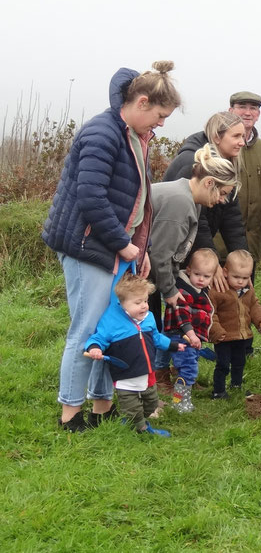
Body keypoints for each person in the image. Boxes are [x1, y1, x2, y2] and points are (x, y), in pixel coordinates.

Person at [42, 60, 181, 432]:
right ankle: (70, 413)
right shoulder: (102, 133)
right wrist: (123, 244)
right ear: (141, 101)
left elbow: (136, 201)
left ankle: (102, 404)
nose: (162, 123)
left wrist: (141, 246)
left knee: (113, 323)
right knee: (87, 329)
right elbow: (92, 197)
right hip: (88, 245)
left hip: (116, 247)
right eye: (160, 115)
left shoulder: (136, 135)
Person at [147, 146, 237, 341]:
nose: (222, 200)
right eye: (222, 193)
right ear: (209, 182)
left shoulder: (189, 196)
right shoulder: (180, 202)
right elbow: (159, 255)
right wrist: (170, 291)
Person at [84, 272, 186, 437]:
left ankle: (136, 422)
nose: (144, 306)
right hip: (126, 377)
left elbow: (156, 338)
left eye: (145, 301)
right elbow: (98, 338)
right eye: (138, 302)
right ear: (121, 303)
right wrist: (94, 348)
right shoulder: (111, 322)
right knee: (132, 408)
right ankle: (141, 430)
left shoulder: (148, 318)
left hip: (147, 373)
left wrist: (173, 346)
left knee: (151, 403)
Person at [163, 111, 249, 291]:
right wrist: (211, 261)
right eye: (236, 136)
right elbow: (195, 218)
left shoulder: (224, 163)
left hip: (196, 247)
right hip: (178, 249)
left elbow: (232, 219)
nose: (242, 142)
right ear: (217, 137)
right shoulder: (194, 164)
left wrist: (243, 262)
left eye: (243, 136)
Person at [208, 250, 261, 399]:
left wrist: (260, 320)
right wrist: (216, 331)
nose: (240, 281)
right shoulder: (218, 291)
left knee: (239, 362)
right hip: (224, 336)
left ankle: (236, 385)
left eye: (245, 277)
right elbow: (211, 313)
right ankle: (218, 391)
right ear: (225, 272)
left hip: (242, 334)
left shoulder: (247, 290)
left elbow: (254, 305)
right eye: (236, 277)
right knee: (223, 364)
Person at [162, 248, 219, 412]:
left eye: (206, 276)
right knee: (188, 369)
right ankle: (179, 402)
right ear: (188, 270)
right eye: (197, 274)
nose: (201, 279)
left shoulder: (200, 290)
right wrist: (192, 335)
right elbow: (182, 315)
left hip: (191, 337)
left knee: (189, 368)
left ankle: (182, 400)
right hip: (182, 337)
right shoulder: (183, 290)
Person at [227, 91, 261, 268]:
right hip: (220, 247)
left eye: (253, 108)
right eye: (241, 107)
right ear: (231, 110)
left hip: (250, 247)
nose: (247, 112)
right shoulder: (214, 146)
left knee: (247, 296)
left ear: (258, 114)